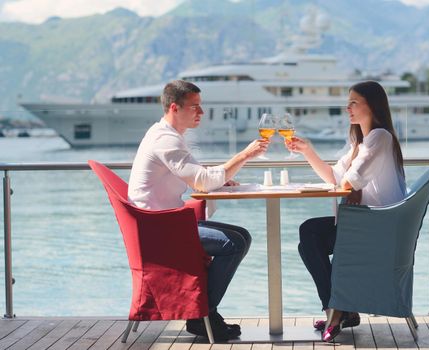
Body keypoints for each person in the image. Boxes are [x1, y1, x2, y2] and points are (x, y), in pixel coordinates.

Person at [128, 80, 269, 341]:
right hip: (159, 229)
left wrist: (219, 178)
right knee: (233, 244)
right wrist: (244, 155)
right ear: (174, 107)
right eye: (195, 107)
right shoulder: (165, 140)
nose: (201, 113)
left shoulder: (168, 136)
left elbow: (198, 175)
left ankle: (203, 313)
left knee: (242, 237)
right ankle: (201, 314)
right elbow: (202, 181)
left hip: (165, 222)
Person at [285, 80, 407, 342]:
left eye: (354, 102)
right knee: (307, 239)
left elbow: (349, 182)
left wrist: (351, 186)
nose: (347, 108)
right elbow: (334, 177)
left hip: (378, 227)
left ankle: (337, 309)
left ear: (372, 106)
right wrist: (307, 150)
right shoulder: (360, 143)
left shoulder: (380, 137)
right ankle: (339, 308)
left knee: (309, 233)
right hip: (366, 224)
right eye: (347, 103)